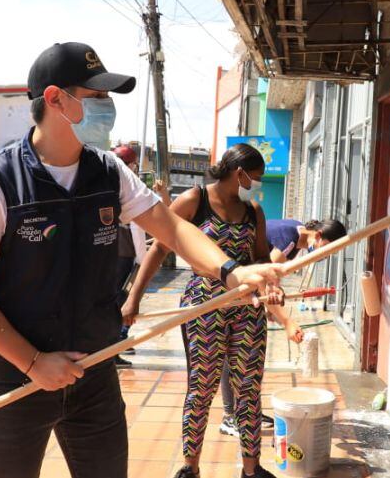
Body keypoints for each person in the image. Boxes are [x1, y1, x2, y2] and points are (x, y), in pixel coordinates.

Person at [0, 42, 284, 478]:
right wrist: (32, 363)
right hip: (15, 376)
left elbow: (172, 228)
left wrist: (231, 271)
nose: (108, 108)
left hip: (94, 372)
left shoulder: (109, 172)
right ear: (54, 99)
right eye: (96, 97)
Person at [123, 143, 289, 478]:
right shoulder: (193, 200)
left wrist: (269, 285)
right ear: (238, 173)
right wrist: (134, 297)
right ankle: (190, 468)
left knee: (248, 388)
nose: (256, 183)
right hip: (204, 306)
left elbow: (259, 258)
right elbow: (159, 248)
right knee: (202, 387)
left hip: (246, 308)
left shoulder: (253, 210)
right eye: (254, 177)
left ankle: (251, 468)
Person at [217, 216, 347, 436]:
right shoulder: (290, 238)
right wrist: (286, 321)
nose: (327, 255)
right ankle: (230, 417)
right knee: (232, 353)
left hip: (243, 286)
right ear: (318, 236)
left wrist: (271, 307)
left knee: (249, 355)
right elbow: (266, 278)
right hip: (230, 285)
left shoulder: (296, 237)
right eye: (328, 249)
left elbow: (270, 280)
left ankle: (246, 413)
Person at [111, 144, 145, 368]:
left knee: (111, 302)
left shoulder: (109, 183)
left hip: (112, 255)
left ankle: (112, 348)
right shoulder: (126, 186)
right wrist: (142, 258)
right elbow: (136, 225)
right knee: (116, 304)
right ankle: (111, 351)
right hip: (123, 255)